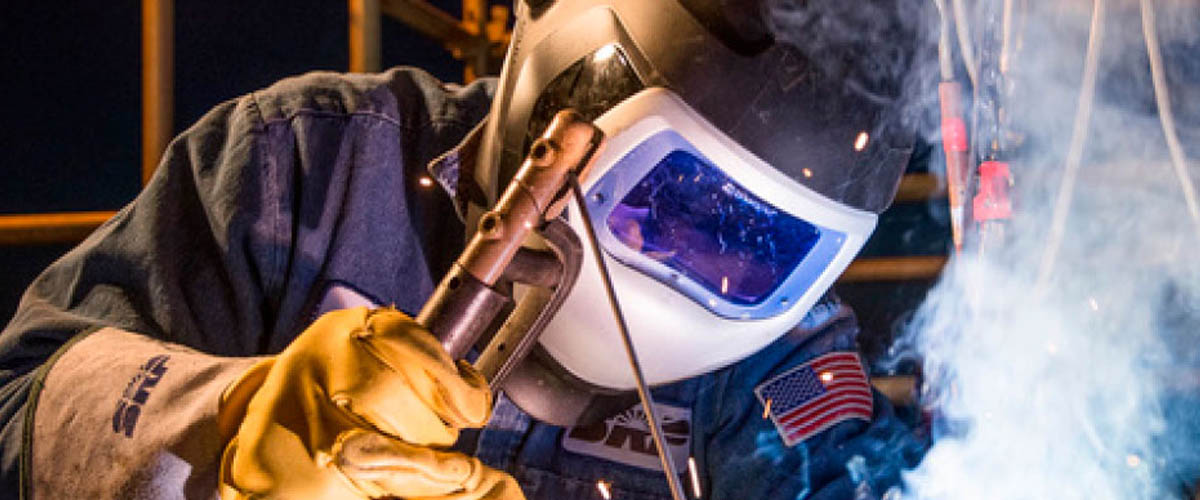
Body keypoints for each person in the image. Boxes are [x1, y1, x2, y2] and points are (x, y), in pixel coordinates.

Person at [0, 0, 928, 498]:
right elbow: (20, 412)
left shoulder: (782, 351)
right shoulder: (307, 169)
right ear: (573, 80)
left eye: (758, 248)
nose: (693, 262)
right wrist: (221, 426)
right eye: (672, 203)